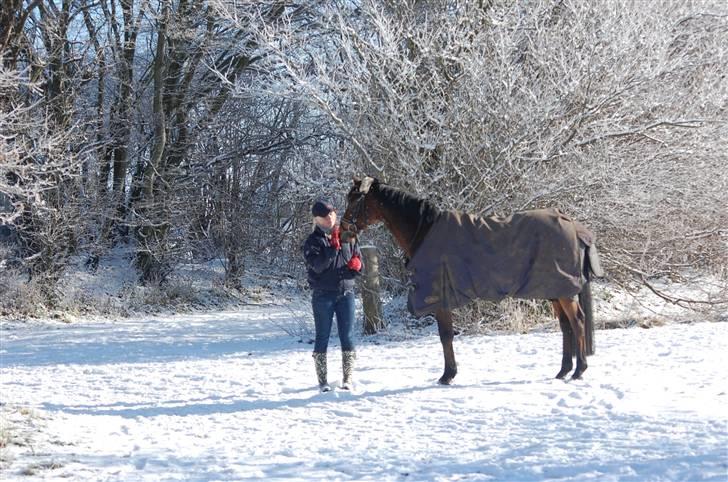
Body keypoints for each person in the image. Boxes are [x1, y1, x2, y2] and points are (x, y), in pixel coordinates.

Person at [302, 198, 364, 392]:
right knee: (323, 336)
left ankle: (347, 378)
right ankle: (323, 382)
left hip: (346, 293)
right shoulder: (312, 241)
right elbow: (318, 266)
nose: (329, 218)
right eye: (324, 216)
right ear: (317, 220)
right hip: (323, 295)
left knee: (347, 335)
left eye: (331, 214)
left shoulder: (349, 236)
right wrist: (332, 249)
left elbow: (358, 260)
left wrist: (357, 266)